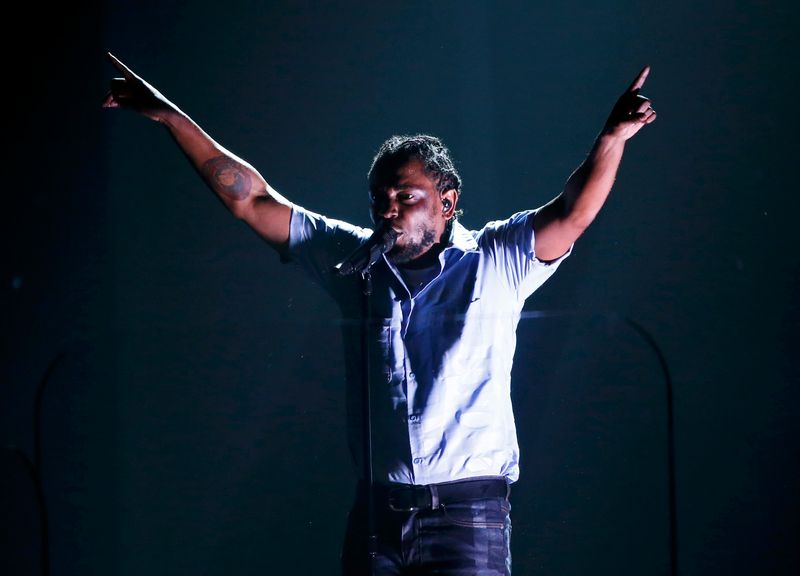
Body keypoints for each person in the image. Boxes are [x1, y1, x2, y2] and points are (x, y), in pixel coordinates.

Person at [103, 52, 655, 575]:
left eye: (406, 196)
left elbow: (573, 213)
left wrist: (612, 138)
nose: (389, 210)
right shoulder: (353, 263)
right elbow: (252, 200)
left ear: (447, 201)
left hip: (466, 516)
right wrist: (168, 116)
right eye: (379, 199)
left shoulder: (495, 260)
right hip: (376, 517)